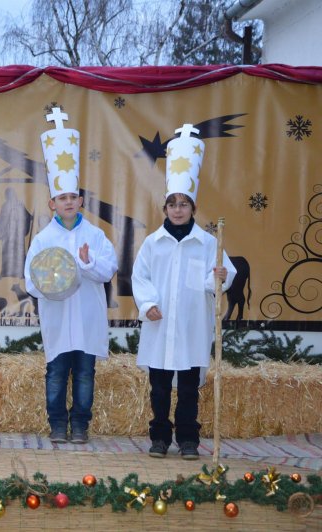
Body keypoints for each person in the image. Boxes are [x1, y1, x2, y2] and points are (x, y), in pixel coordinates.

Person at [132, 124, 236, 460]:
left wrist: (218, 277)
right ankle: (160, 437)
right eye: (172, 204)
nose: (178, 209)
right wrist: (147, 304)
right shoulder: (153, 243)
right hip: (161, 325)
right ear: (164, 208)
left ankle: (189, 439)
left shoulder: (207, 243)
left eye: (184, 204)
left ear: (193, 207)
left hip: (191, 326)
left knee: (189, 387)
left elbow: (222, 273)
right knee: (160, 387)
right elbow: (140, 276)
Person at [24, 108, 118, 445]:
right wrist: (50, 285)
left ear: (80, 200)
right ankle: (57, 425)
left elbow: (110, 269)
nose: (68, 202)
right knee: (55, 374)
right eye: (61, 197)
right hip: (57, 317)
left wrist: (87, 262)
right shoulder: (43, 239)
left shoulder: (95, 235)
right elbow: (30, 281)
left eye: (72, 197)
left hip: (88, 317)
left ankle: (80, 425)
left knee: (84, 376)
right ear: (52, 203)